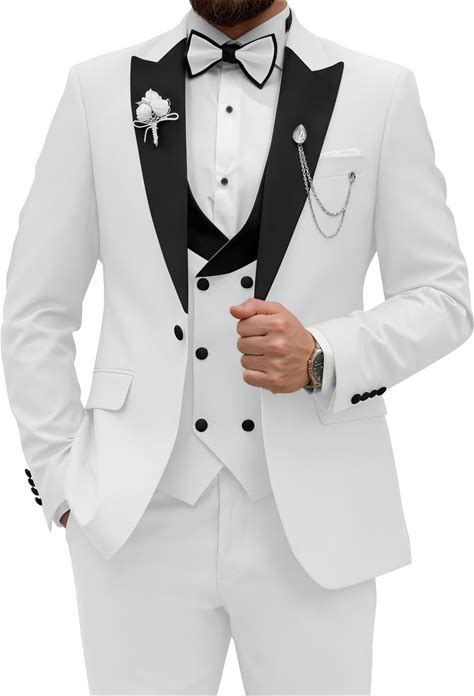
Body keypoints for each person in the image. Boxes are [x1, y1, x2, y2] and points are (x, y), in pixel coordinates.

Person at [2, 0, 472, 693]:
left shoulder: (380, 92)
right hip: (134, 517)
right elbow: (35, 308)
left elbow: (444, 297)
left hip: (317, 518)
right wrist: (64, 484)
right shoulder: (94, 90)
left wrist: (323, 355)